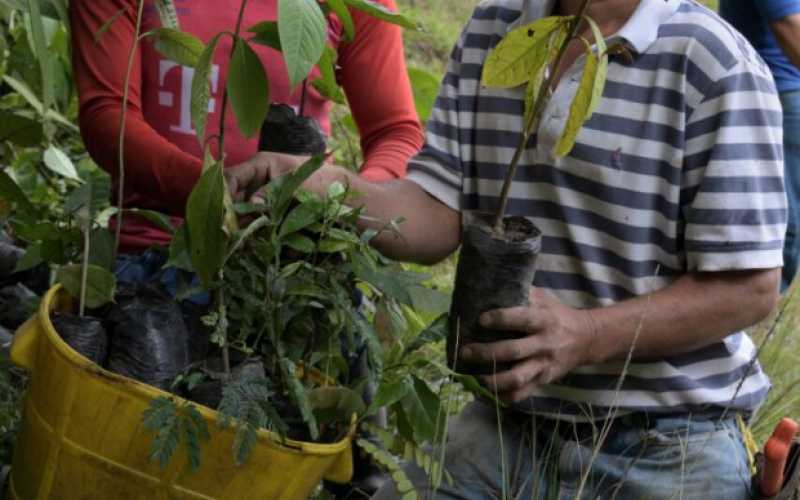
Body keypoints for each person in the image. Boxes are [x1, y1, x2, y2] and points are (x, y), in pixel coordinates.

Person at [225, 0, 787, 498]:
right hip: (509, 426)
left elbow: (750, 288)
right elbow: (439, 212)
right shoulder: (498, 29)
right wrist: (329, 187)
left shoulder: (714, 63)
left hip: (667, 440)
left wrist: (586, 336)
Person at [70, 0, 423, 257]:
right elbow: (108, 114)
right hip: (156, 247)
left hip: (297, 259)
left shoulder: (355, 5)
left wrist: (343, 208)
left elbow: (395, 132)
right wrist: (217, 196)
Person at [720, 0, 800, 292]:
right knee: (783, 224)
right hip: (779, 91)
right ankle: (747, 311)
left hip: (780, 88)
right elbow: (789, 25)